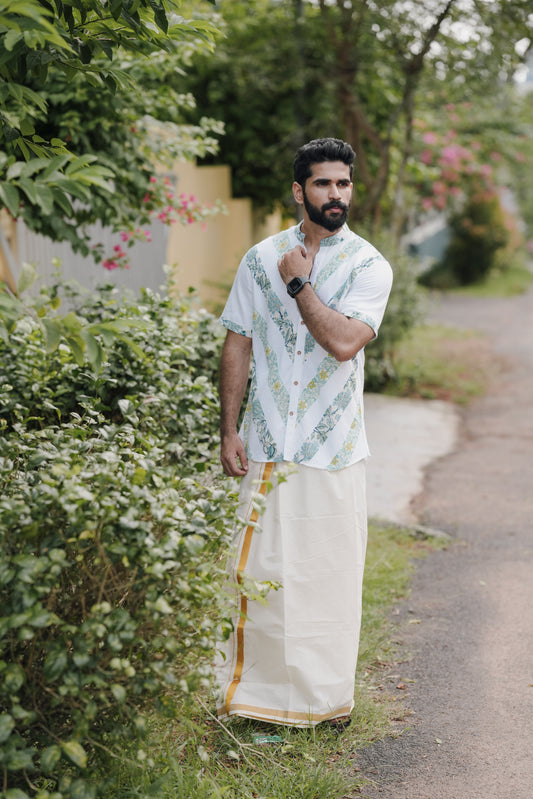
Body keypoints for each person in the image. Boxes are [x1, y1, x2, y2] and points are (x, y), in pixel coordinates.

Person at [215, 137, 393, 729]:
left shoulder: (369, 265)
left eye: (343, 183)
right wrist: (229, 430)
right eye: (322, 183)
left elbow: (343, 343)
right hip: (265, 443)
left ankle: (324, 706)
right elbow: (237, 340)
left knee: (326, 583)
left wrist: (300, 285)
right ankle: (255, 705)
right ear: (300, 190)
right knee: (259, 576)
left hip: (333, 449)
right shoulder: (260, 257)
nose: (335, 194)